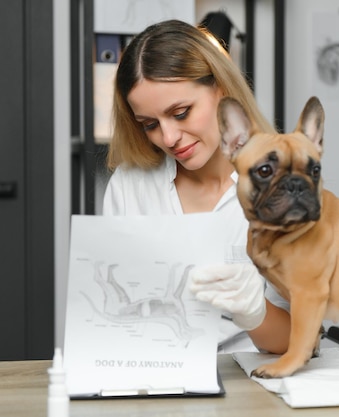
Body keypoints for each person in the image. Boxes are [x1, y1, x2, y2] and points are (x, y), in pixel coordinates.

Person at [102, 19, 290, 354]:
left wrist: (254, 312)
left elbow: (298, 341)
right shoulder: (130, 187)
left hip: (249, 382)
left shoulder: (279, 188)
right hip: (153, 376)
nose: (169, 138)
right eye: (149, 125)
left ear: (222, 88)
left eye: (181, 112)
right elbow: (115, 318)